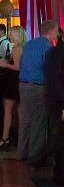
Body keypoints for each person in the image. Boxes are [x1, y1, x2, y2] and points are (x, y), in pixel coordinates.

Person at [18, 19, 58, 165]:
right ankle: (34, 156)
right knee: (38, 122)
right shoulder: (47, 46)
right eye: (56, 31)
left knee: (25, 120)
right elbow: (48, 67)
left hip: (23, 84)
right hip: (38, 86)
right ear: (51, 31)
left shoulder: (29, 44)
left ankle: (21, 153)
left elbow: (22, 63)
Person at [0, 26, 27, 151]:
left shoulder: (16, 48)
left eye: (12, 33)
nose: (10, 35)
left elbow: (18, 67)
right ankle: (22, 139)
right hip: (21, 80)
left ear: (17, 35)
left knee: (7, 111)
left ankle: (5, 138)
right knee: (20, 111)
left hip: (14, 80)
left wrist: (5, 64)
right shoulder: (24, 47)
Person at [44, 33, 64, 185]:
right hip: (59, 101)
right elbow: (57, 80)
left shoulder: (53, 51)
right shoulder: (57, 52)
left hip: (54, 100)